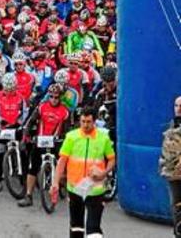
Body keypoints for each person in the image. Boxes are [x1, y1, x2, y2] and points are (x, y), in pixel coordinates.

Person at [52, 108, 115, 238]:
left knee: (93, 229)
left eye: (89, 122)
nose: (85, 125)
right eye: (83, 121)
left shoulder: (103, 139)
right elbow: (62, 161)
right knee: (76, 227)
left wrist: (104, 172)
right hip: (75, 189)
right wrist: (55, 183)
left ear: (95, 121)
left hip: (95, 190)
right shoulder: (71, 137)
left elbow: (112, 159)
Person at [18, 84, 69, 207]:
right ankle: (28, 195)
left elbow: (68, 130)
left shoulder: (65, 111)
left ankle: (64, 187)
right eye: (51, 96)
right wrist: (25, 138)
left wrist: (65, 140)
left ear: (60, 97)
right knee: (33, 167)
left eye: (56, 97)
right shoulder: (41, 107)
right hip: (41, 141)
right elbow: (30, 123)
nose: (53, 99)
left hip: (56, 142)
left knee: (63, 167)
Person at [161, 96, 181, 238]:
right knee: (176, 207)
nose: (178, 109)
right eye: (176, 105)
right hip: (173, 173)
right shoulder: (172, 125)